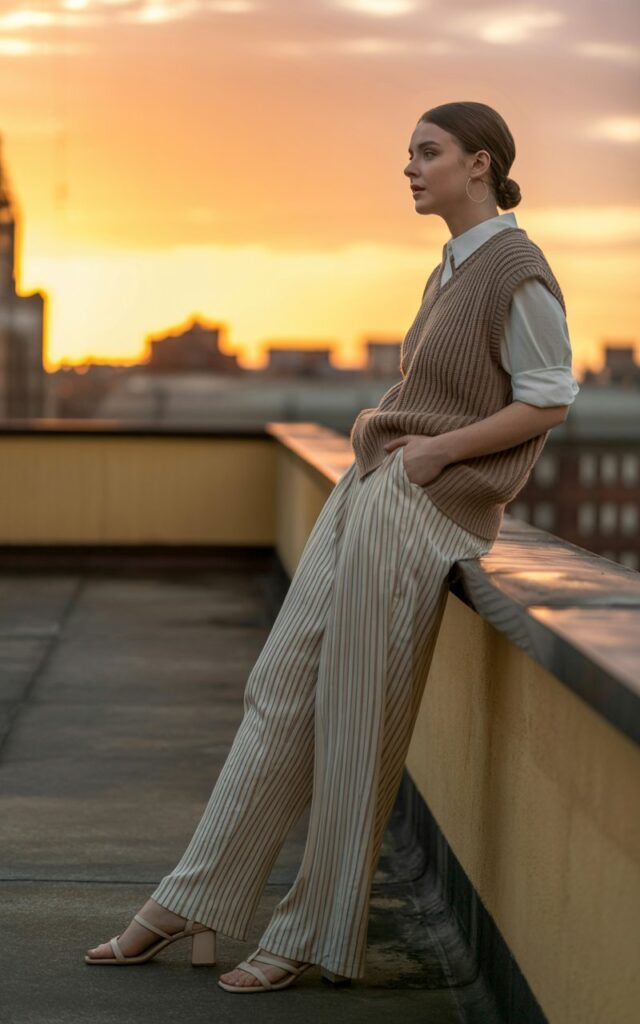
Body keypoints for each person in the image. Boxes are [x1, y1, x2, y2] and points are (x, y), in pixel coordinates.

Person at [84, 100, 579, 993]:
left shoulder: (515, 266)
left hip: (428, 507)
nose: (410, 167)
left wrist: (435, 452)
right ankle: (193, 899)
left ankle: (315, 931)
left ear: (481, 163)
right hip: (375, 491)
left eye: (427, 153)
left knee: (356, 717)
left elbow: (548, 395)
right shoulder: (452, 267)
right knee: (279, 688)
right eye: (409, 153)